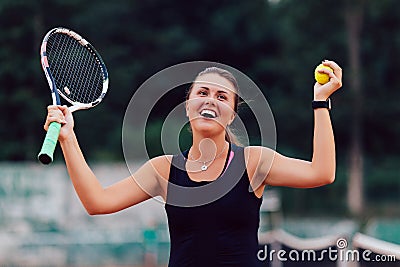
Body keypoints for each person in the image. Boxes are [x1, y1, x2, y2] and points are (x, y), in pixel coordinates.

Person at [44, 60, 342, 266]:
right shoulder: (163, 170)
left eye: (222, 96)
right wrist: (69, 139)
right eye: (202, 93)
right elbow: (97, 202)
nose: (211, 100)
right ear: (188, 107)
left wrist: (320, 101)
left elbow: (322, 172)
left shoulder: (253, 162)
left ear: (232, 114)